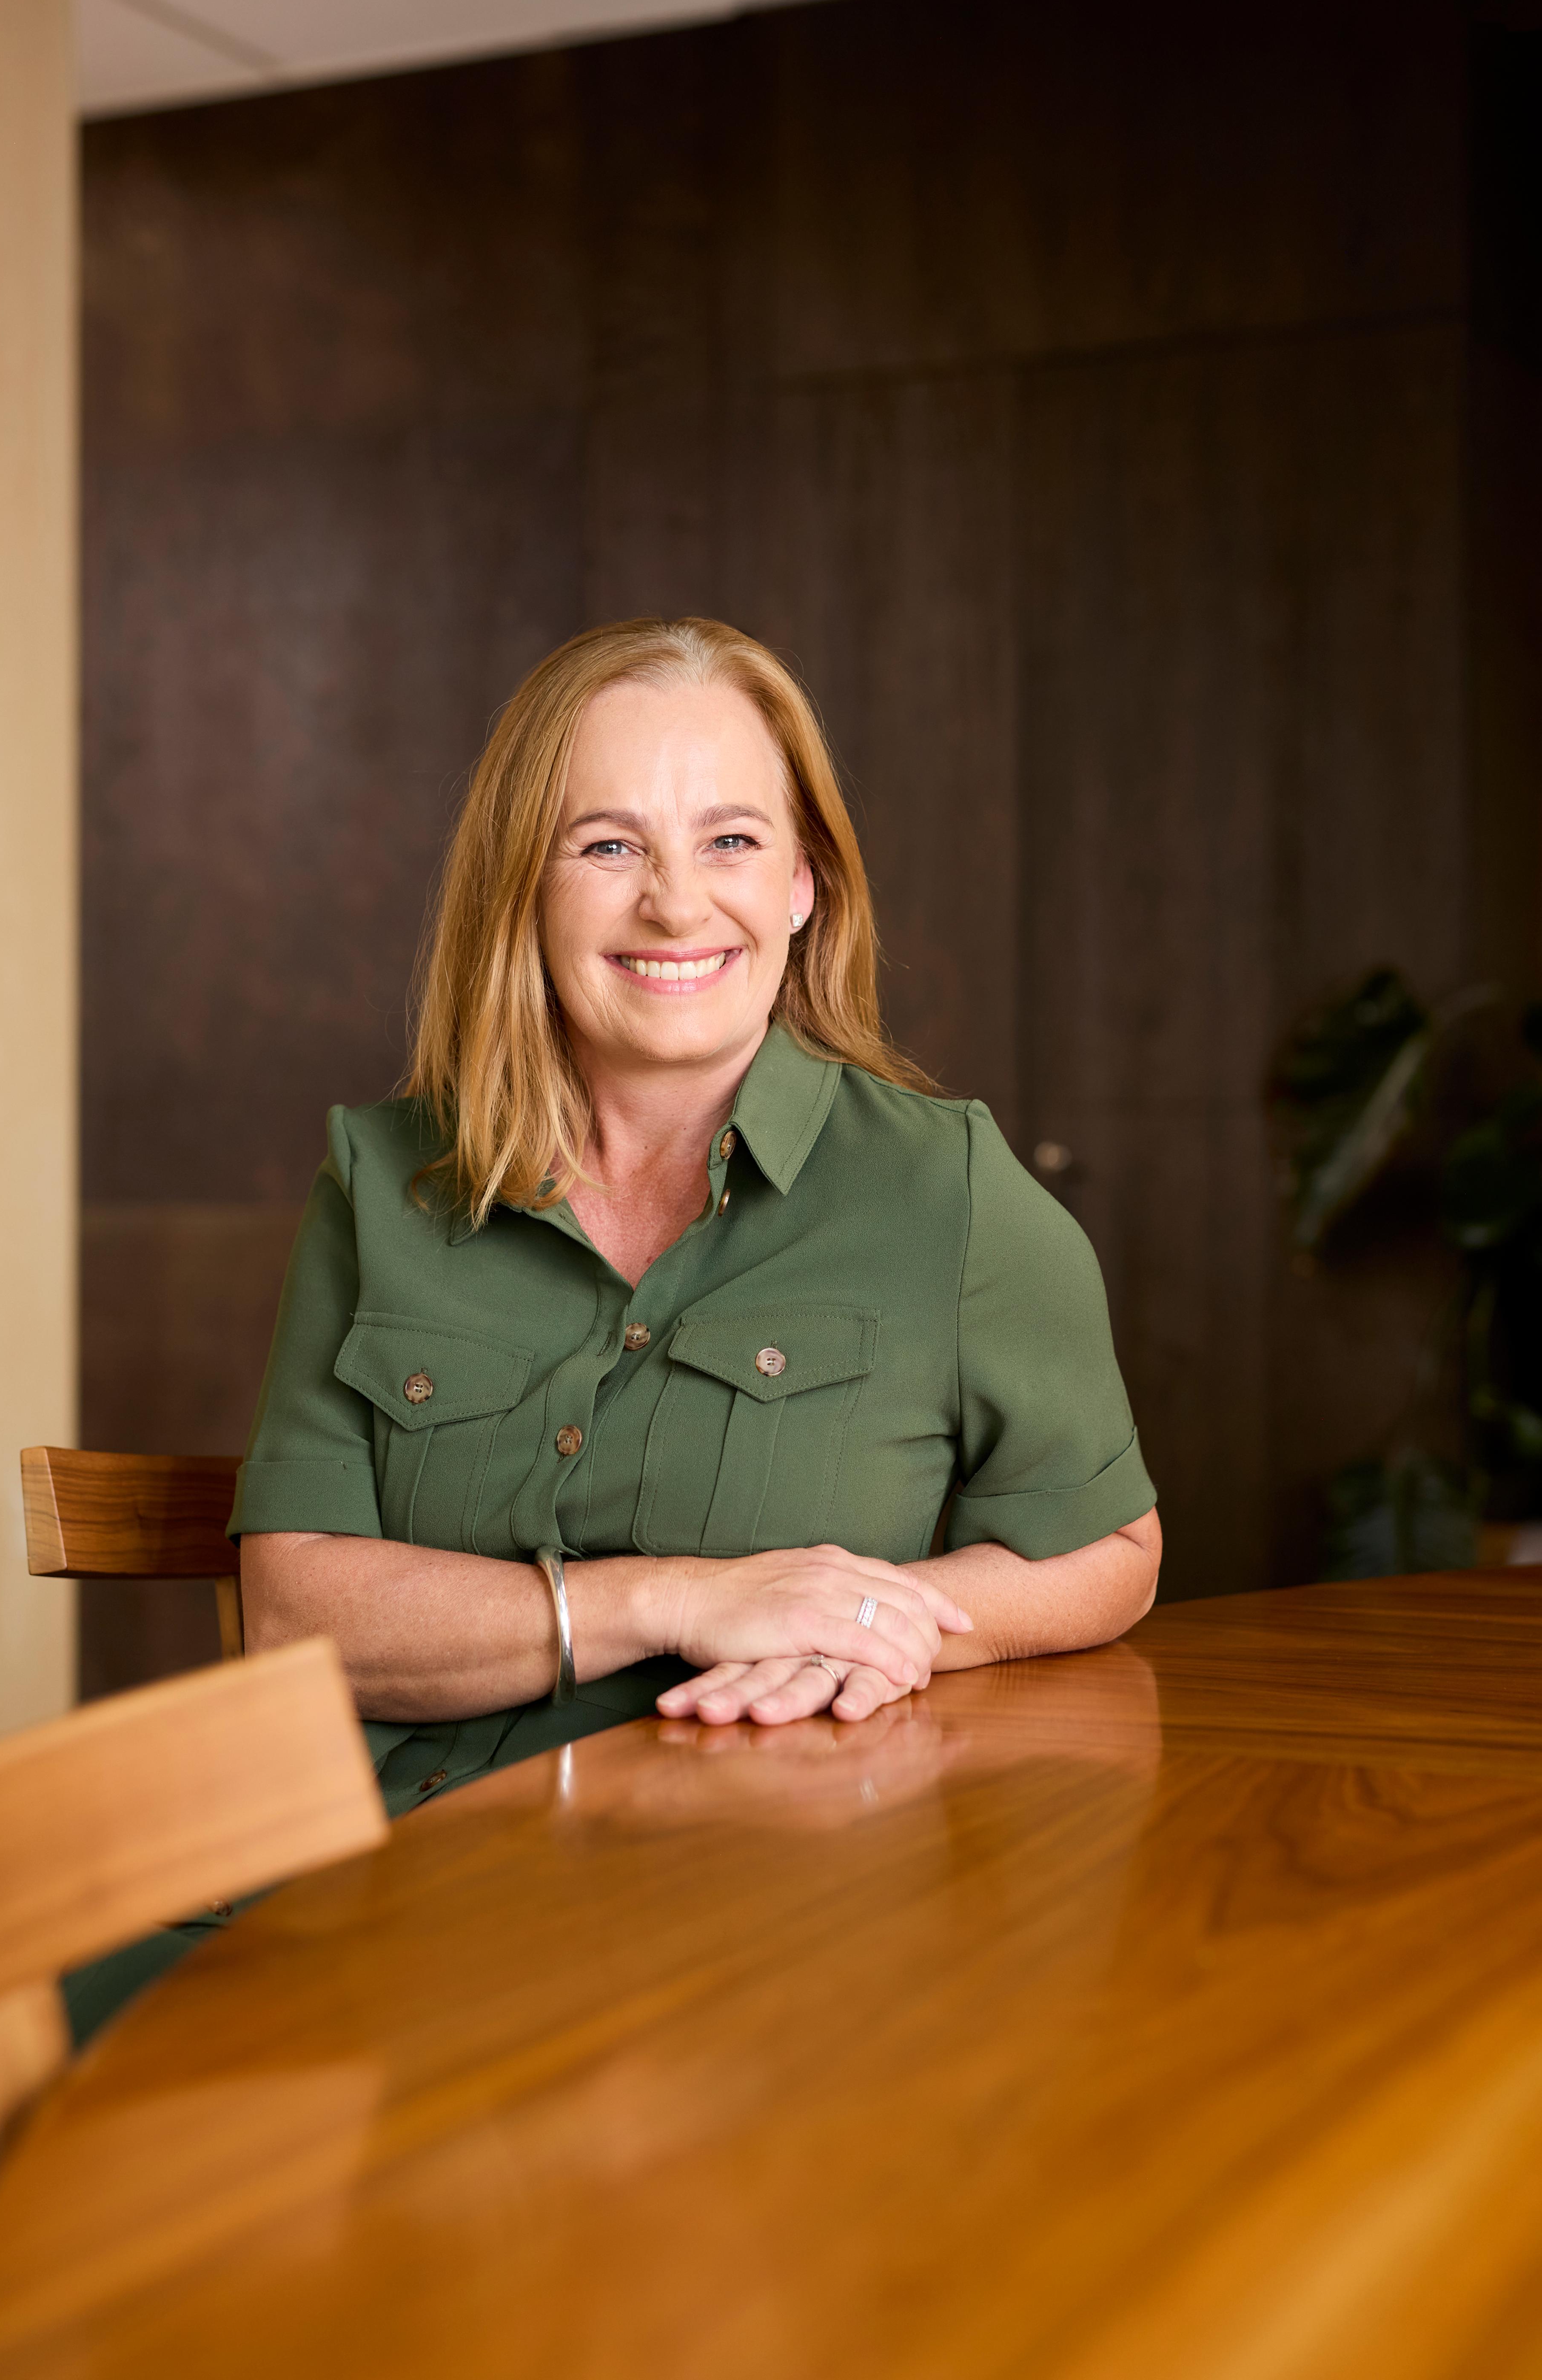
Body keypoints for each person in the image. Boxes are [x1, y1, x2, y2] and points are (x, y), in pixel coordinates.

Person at [231, 616, 1160, 1818]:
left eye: (730, 838)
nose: (676, 905)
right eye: (610, 843)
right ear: (525, 885)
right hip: (369, 1885)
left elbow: (1109, 1552)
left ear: (799, 884)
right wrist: (671, 1599)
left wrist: (871, 1628)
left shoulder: (952, 1190)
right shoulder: (381, 1182)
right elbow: (293, 1616)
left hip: (740, 1901)